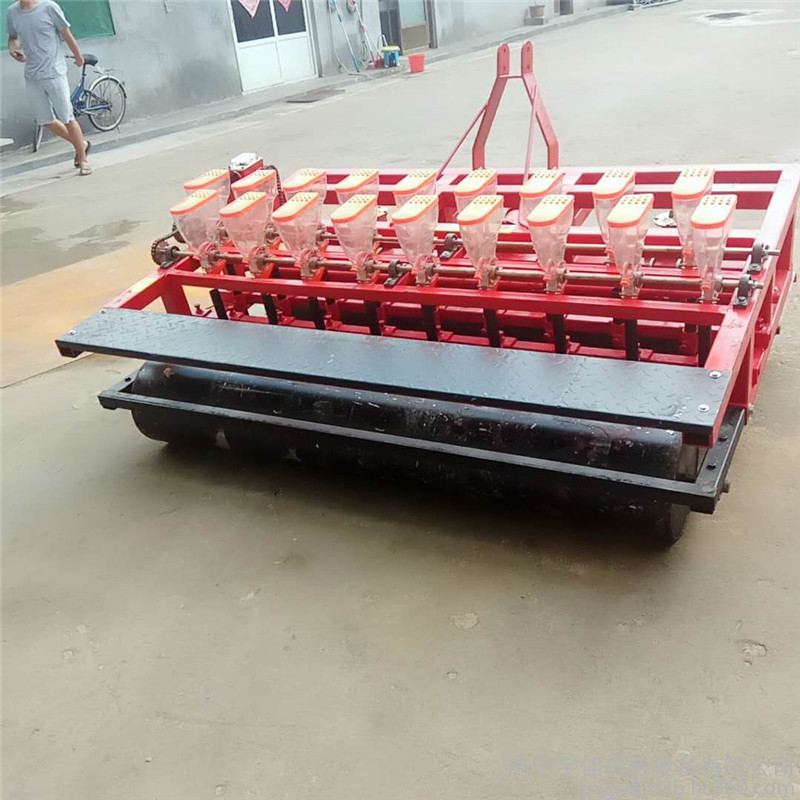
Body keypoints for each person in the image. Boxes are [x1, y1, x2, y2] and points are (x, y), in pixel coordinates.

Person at [6, 0, 91, 175]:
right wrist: (13, 49)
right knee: (46, 121)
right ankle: (81, 144)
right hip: (32, 75)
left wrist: (78, 56)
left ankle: (83, 160)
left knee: (67, 117)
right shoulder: (12, 12)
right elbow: (13, 37)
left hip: (54, 72)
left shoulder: (49, 7)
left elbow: (65, 32)